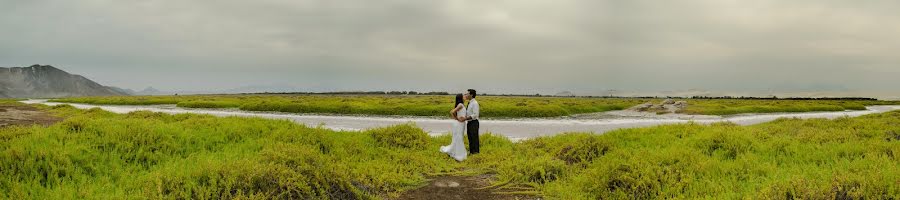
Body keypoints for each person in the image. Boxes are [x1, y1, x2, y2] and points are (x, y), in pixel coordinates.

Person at [439, 94, 467, 161]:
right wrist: (457, 118)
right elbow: (452, 112)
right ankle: (459, 154)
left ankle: (455, 151)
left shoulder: (461, 104)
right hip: (459, 123)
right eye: (463, 96)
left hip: (461, 123)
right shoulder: (460, 104)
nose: (465, 96)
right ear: (460, 98)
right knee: (459, 137)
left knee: (458, 137)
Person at [463, 89, 480, 154]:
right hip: (469, 122)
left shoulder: (475, 103)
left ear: (471, 95)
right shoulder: (470, 102)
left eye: (467, 94)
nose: (466, 95)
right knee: (470, 138)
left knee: (474, 138)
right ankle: (471, 152)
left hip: (474, 122)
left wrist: (465, 118)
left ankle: (475, 152)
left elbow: (475, 115)